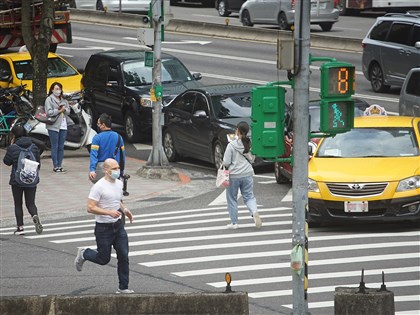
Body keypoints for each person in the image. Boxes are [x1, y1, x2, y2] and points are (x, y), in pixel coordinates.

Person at [74, 158, 134, 294]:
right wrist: (108, 212)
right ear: (106, 170)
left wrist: (125, 210)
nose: (117, 171)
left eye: (118, 168)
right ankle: (84, 253)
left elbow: (117, 201)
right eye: (114, 169)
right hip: (103, 228)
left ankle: (123, 287)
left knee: (124, 256)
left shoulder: (119, 183)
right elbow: (90, 208)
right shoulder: (98, 187)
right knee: (103, 259)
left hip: (118, 226)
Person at [3, 125, 43, 235]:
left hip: (17, 180)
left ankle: (20, 228)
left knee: (18, 204)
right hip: (31, 179)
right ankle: (34, 215)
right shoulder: (34, 146)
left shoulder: (13, 147)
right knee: (30, 203)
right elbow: (38, 163)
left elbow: (7, 162)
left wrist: (10, 147)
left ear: (14, 134)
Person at [222, 121, 262, 230]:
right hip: (247, 173)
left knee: (232, 198)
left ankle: (234, 223)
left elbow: (226, 162)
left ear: (237, 131)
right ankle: (254, 212)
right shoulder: (250, 143)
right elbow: (252, 159)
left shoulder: (231, 145)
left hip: (234, 175)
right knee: (249, 196)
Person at [45, 82, 73, 173]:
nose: (58, 91)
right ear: (52, 90)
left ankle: (60, 165)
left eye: (59, 89)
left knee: (61, 146)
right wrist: (58, 110)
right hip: (53, 125)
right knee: (55, 146)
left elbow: (68, 111)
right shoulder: (49, 99)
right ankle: (55, 166)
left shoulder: (64, 100)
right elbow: (49, 112)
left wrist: (64, 109)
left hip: (63, 124)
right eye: (56, 89)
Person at [89, 113, 125, 183]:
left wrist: (92, 170)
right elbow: (122, 157)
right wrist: (122, 170)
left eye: (99, 124)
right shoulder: (118, 137)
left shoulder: (97, 138)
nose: (98, 126)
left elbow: (93, 155)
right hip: (114, 169)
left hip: (101, 169)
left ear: (103, 125)